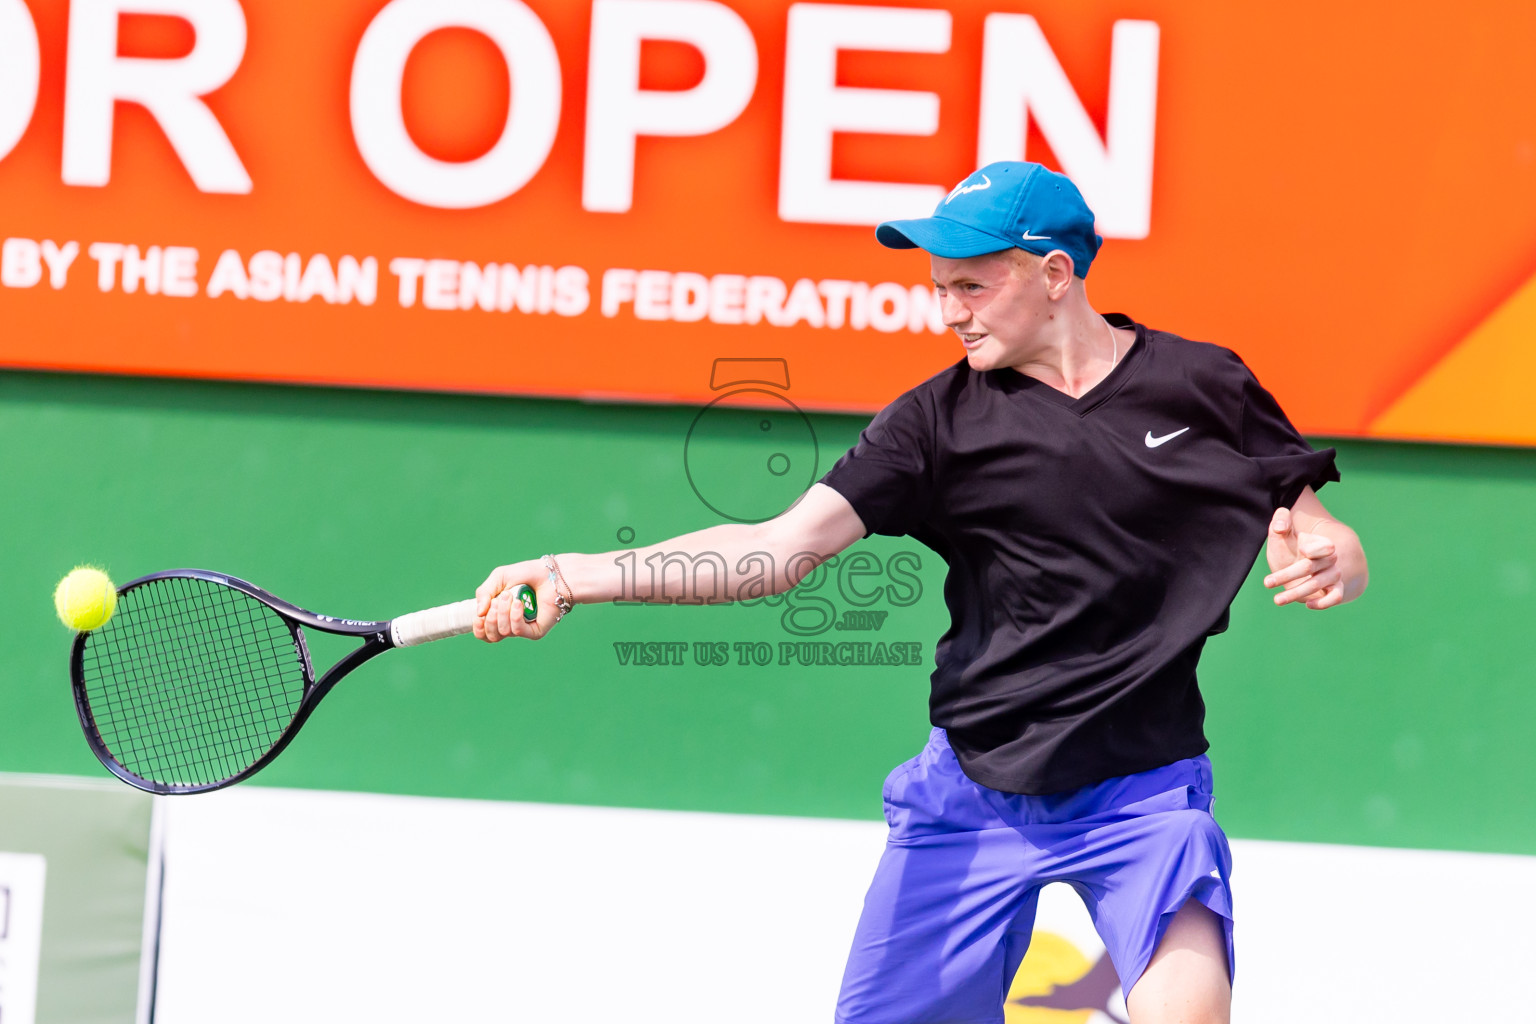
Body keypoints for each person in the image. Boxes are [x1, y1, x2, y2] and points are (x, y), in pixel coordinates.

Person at [472, 161, 1368, 1024]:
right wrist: (572, 573)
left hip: (1145, 794)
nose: (948, 313)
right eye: (938, 288)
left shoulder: (1205, 384)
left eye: (970, 288)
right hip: (972, 794)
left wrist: (1334, 551)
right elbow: (775, 551)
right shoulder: (936, 424)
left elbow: (1311, 517)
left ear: (1055, 274)